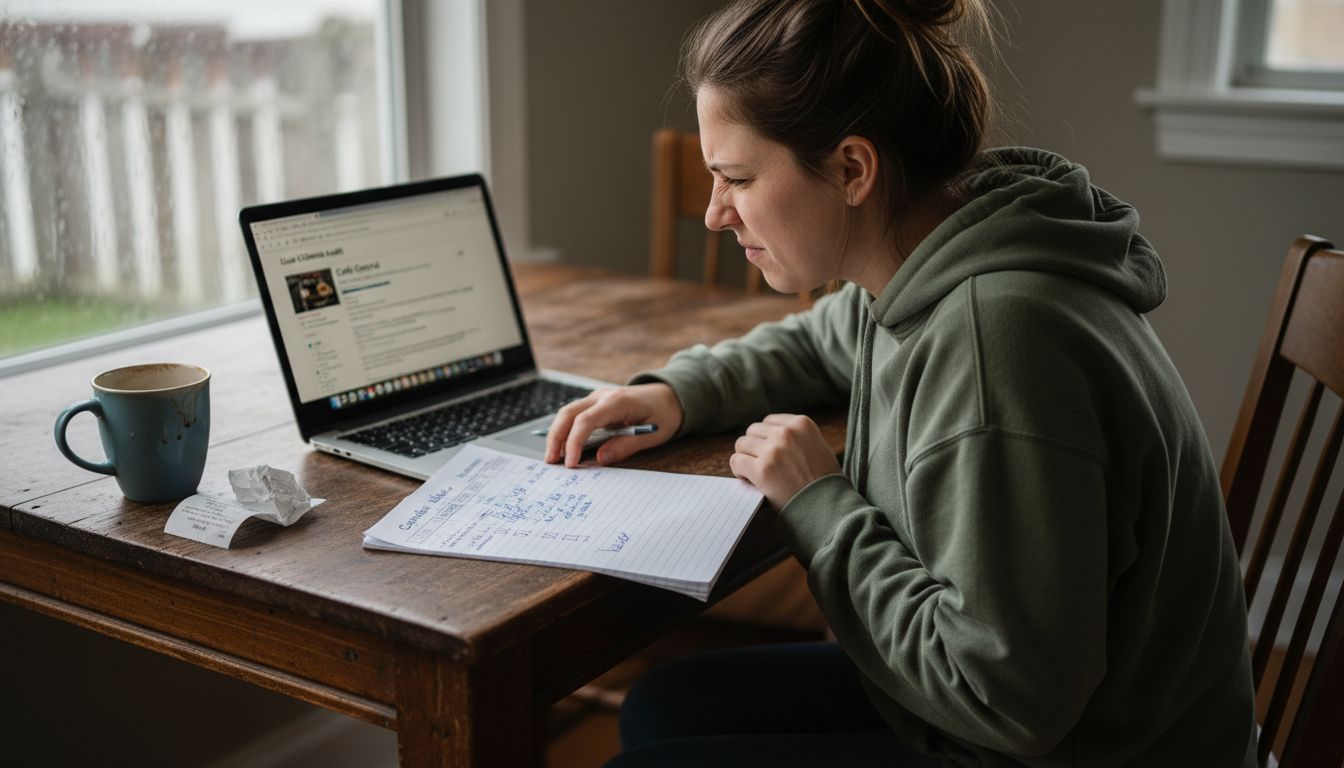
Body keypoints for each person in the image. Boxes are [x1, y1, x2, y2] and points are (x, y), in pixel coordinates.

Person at [543, 0, 1258, 765]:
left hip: (1063, 745)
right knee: (665, 702)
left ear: (853, 168)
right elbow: (823, 341)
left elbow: (1007, 701)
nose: (716, 214)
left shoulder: (997, 346)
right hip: (1018, 713)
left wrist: (822, 504)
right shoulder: (938, 248)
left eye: (738, 178)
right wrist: (679, 393)